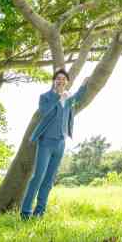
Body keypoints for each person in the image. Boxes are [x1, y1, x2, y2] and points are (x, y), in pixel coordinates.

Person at [20, 69, 89, 219]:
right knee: (38, 177)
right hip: (45, 142)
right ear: (54, 81)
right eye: (58, 78)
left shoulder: (69, 98)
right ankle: (25, 213)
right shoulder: (45, 97)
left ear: (67, 82)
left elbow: (78, 97)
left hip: (61, 143)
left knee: (49, 180)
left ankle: (39, 213)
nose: (61, 80)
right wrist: (58, 98)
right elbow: (44, 111)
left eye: (64, 79)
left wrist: (83, 86)